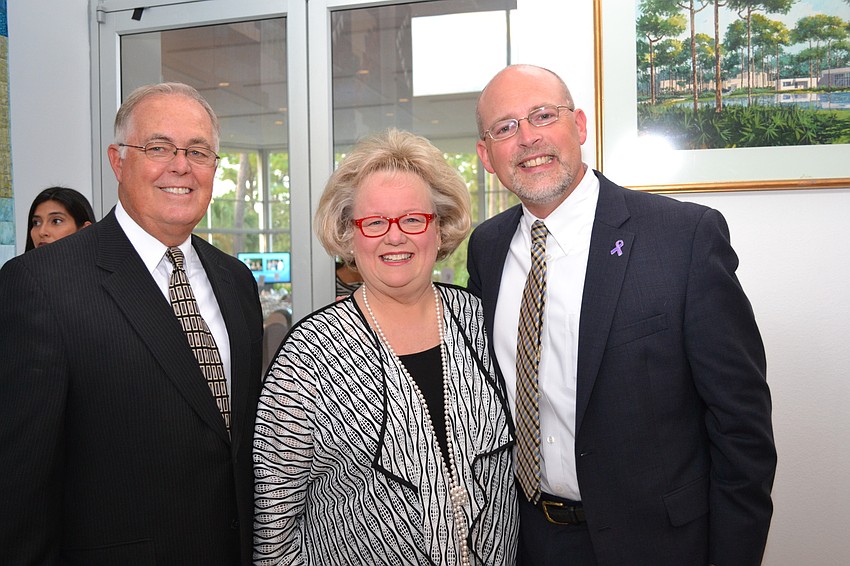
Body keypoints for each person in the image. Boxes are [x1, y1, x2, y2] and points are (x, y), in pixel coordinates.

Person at [467, 64, 776, 566]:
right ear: (486, 155)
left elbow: (741, 425)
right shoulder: (488, 247)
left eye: (543, 115)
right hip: (529, 541)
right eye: (505, 128)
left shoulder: (683, 237)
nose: (527, 138)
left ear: (580, 126)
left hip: (659, 544)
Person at [0, 82, 263, 564]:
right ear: (118, 160)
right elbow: (19, 489)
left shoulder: (236, 281)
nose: (181, 166)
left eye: (199, 151)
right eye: (158, 147)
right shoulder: (41, 284)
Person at [253, 128, 518, 565]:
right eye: (374, 222)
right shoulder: (308, 356)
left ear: (440, 228)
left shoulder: (484, 322)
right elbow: (274, 526)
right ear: (349, 236)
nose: (395, 237)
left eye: (413, 219)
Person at [25, 185, 96, 251]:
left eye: (56, 221)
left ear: (85, 229)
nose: (42, 232)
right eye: (36, 223)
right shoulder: (20, 264)